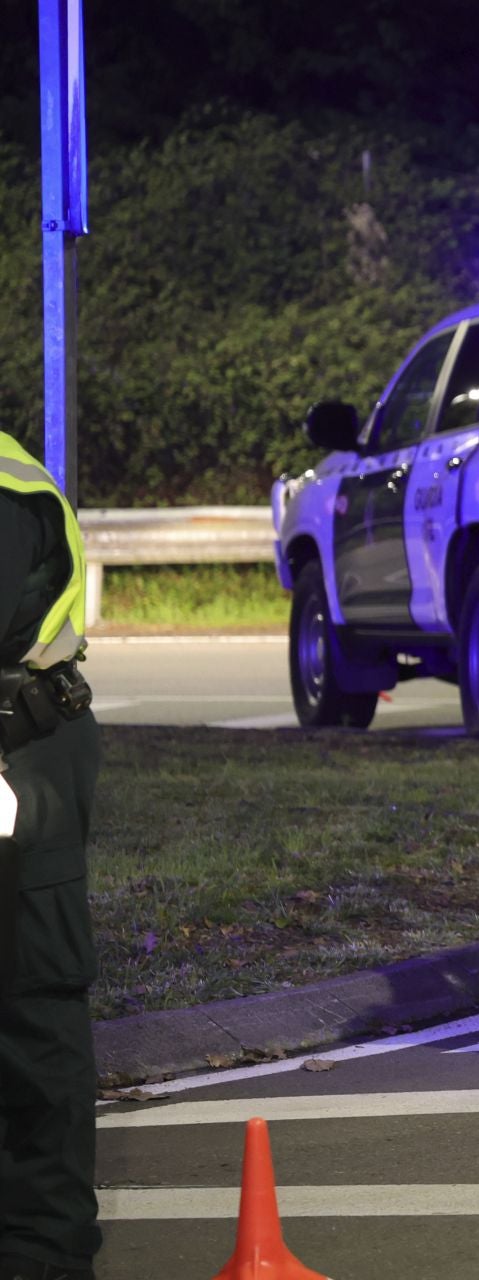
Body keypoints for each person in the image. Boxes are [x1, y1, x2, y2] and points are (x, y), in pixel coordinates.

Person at [0, 429, 102, 1280]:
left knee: (32, 1005)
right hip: (25, 746)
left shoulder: (3, 486)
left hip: (20, 757)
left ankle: (46, 1253)